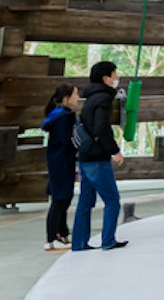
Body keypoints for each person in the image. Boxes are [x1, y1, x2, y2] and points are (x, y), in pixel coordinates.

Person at [73, 60, 128, 251]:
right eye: (114, 74)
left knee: (85, 202)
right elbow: (101, 128)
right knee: (112, 200)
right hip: (97, 158)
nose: (117, 77)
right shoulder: (103, 98)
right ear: (106, 78)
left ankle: (79, 242)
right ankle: (108, 240)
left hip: (86, 157)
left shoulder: (91, 98)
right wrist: (115, 151)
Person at [42, 82, 81, 251]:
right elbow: (68, 141)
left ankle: (62, 234)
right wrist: (81, 148)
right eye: (75, 94)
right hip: (62, 162)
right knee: (59, 200)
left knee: (64, 199)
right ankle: (51, 238)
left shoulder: (58, 115)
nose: (78, 98)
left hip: (58, 161)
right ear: (66, 98)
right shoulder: (65, 117)